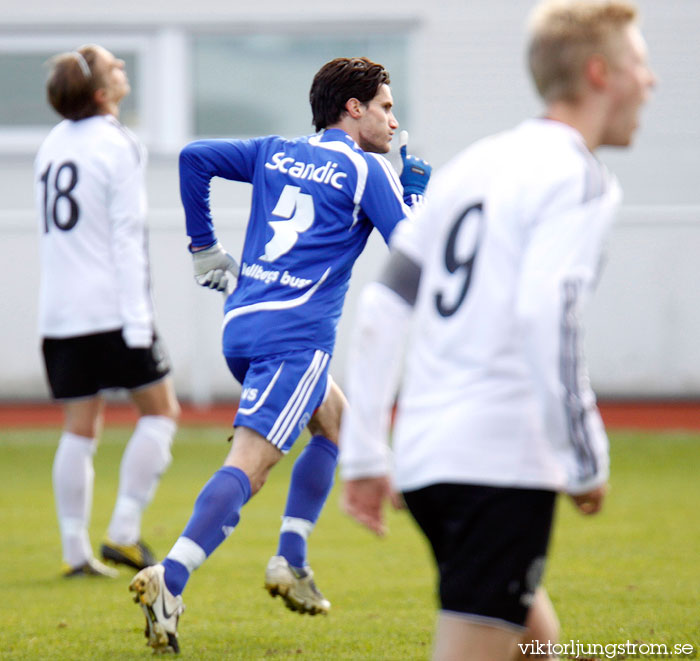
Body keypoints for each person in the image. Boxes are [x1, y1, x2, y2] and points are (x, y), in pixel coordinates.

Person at [339, 2, 655, 660]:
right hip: (498, 462)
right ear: (600, 74)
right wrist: (586, 451)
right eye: (640, 64)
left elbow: (383, 305)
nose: (650, 81)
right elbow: (550, 310)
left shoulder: (476, 164)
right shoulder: (578, 175)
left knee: (536, 642)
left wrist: (368, 452)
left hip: (427, 458)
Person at [128, 56, 431, 653]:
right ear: (354, 108)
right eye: (387, 108)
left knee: (335, 422)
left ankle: (290, 560)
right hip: (295, 338)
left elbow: (194, 158)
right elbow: (409, 254)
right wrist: (415, 191)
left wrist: (203, 247)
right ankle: (173, 575)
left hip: (242, 321)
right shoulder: (368, 172)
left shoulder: (274, 149)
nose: (393, 122)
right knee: (253, 464)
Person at [34, 45, 180, 578]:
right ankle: (123, 529)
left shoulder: (52, 144)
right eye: (115, 66)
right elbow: (125, 235)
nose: (124, 70)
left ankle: (76, 551)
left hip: (59, 311)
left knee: (80, 427)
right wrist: (138, 318)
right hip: (110, 309)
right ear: (100, 92)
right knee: (161, 412)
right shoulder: (116, 143)